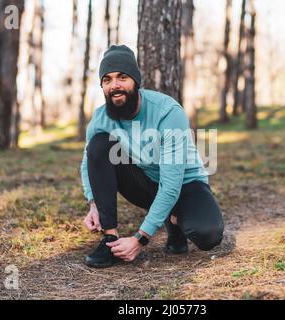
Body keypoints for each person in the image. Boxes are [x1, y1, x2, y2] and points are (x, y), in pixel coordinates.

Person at [80, 45, 224, 268]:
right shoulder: (101, 118)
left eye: (122, 77)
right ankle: (110, 238)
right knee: (98, 146)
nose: (114, 85)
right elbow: (87, 163)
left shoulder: (167, 112)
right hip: (145, 183)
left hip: (186, 184)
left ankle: (175, 222)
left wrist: (141, 238)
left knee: (208, 235)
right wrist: (93, 203)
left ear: (136, 81)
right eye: (107, 80)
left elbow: (172, 183)